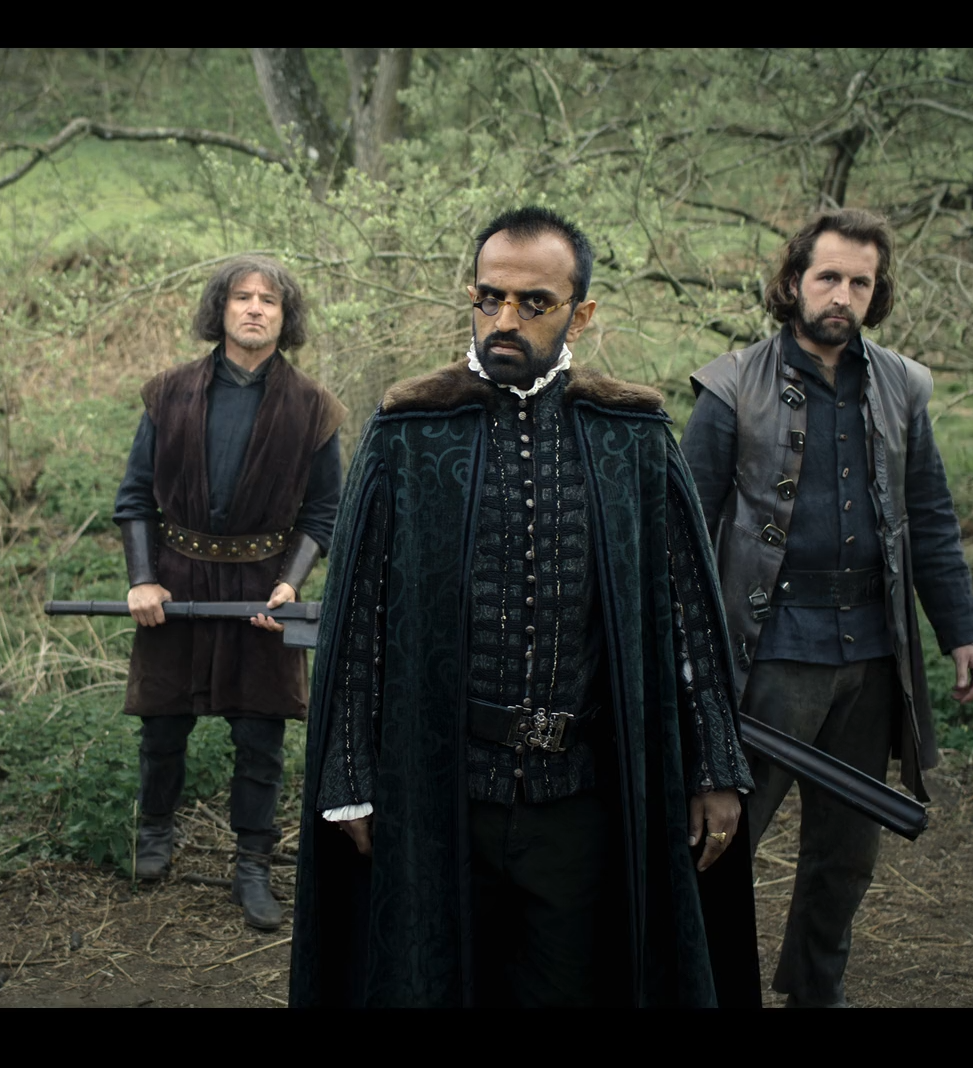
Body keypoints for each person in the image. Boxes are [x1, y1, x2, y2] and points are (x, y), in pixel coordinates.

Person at [291, 207, 757, 1008]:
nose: (505, 319)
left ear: (582, 312)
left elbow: (688, 610)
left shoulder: (632, 437)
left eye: (533, 302)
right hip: (436, 790)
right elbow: (358, 616)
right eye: (489, 297)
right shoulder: (411, 433)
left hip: (580, 802)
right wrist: (349, 772)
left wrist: (715, 764)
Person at [680, 207, 973, 1008]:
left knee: (847, 852)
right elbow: (680, 532)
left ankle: (817, 991)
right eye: (828, 277)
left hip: (873, 655)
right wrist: (682, 656)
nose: (842, 295)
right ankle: (696, 987)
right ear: (794, 281)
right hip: (771, 653)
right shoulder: (731, 387)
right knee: (722, 840)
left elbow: (930, 517)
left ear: (875, 292)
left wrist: (962, 631)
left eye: (860, 281)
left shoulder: (901, 385)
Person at [112, 256, 344, 930]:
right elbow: (135, 497)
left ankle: (252, 865)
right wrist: (142, 578)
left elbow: (323, 513)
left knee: (260, 734)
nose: (254, 309)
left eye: (268, 300)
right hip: (177, 577)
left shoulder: (314, 407)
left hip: (263, 587)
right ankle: (155, 831)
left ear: (284, 317)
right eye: (242, 297)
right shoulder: (168, 393)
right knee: (162, 723)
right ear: (221, 309)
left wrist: (289, 584)